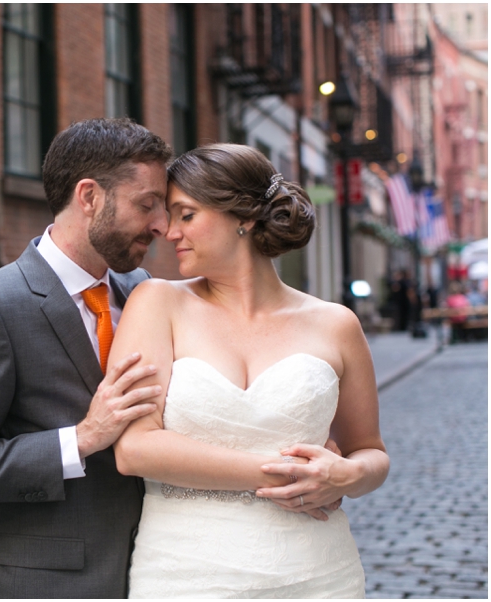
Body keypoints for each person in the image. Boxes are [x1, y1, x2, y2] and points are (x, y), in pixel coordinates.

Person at [112, 143, 390, 598]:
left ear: (242, 216)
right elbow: (135, 449)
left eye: (186, 215)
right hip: (185, 573)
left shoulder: (336, 323)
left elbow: (370, 452)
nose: (168, 231)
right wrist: (283, 474)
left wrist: (347, 476)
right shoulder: (157, 303)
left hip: (318, 573)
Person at [0, 117, 174, 598]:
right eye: (147, 205)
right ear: (89, 197)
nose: (161, 225)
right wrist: (81, 439)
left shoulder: (142, 292)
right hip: (57, 583)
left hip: (159, 571)